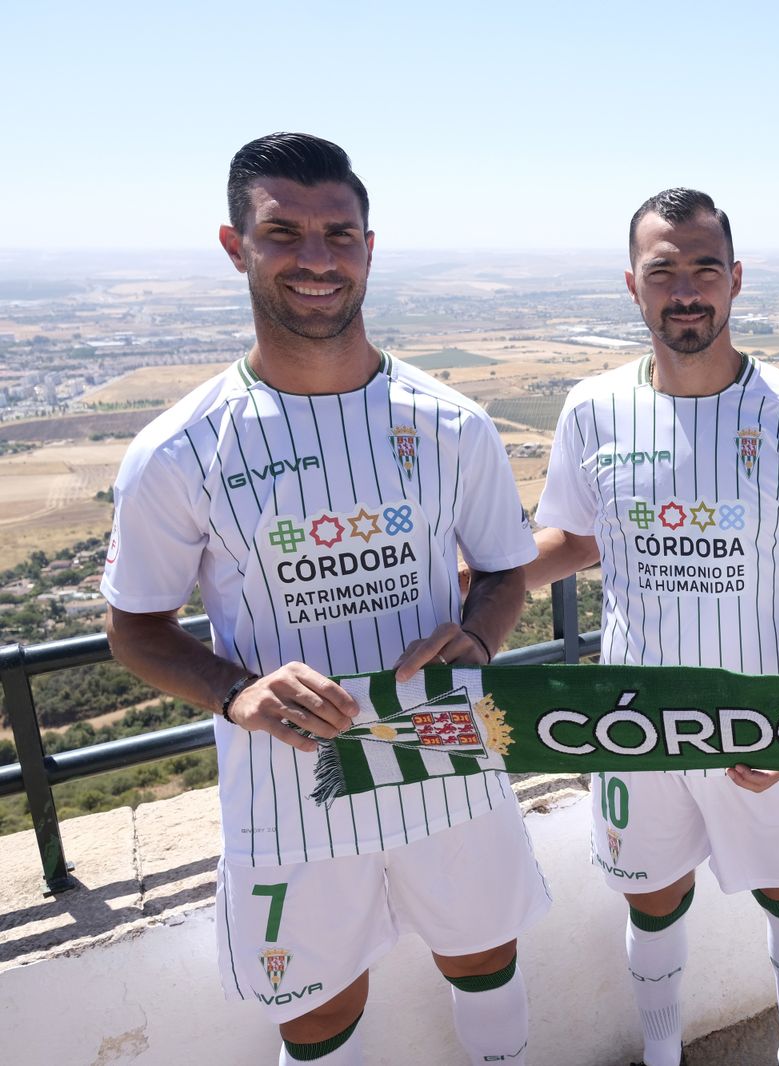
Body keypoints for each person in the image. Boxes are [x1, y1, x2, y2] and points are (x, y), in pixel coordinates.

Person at [101, 133, 548, 1065]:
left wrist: (479, 636)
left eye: (339, 235)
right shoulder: (179, 451)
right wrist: (235, 692)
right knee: (313, 1020)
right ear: (237, 247)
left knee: (488, 964)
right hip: (287, 789)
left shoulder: (451, 424)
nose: (316, 259)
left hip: (448, 760)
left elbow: (506, 570)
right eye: (284, 233)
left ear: (370, 248)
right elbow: (134, 629)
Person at [525, 188, 779, 1066]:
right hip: (638, 719)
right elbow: (577, 539)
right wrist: (478, 579)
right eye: (662, 271)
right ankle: (663, 1054)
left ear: (735, 279)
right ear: (632, 287)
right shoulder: (593, 407)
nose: (685, 290)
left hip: (764, 719)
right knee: (652, 900)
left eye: (703, 269)